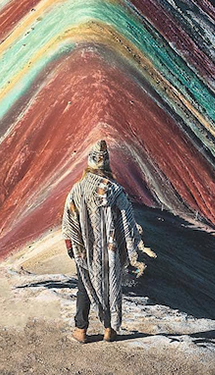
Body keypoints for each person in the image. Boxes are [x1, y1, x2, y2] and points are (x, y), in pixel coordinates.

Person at [62, 140, 145, 343]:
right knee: (110, 286)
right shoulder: (116, 190)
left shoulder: (78, 189)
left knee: (85, 286)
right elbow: (127, 220)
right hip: (110, 250)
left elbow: (69, 218)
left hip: (85, 250)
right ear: (107, 164)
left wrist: (71, 244)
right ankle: (109, 329)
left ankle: (81, 330)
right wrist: (129, 246)